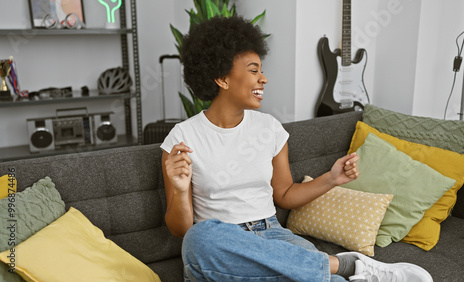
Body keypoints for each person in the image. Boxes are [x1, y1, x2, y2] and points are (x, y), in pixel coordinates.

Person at [160, 16, 432, 282]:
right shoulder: (183, 138)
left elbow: (285, 195)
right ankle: (349, 265)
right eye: (254, 70)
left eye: (261, 70)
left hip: (273, 237)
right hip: (223, 248)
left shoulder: (270, 128)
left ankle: (344, 271)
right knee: (199, 238)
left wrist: (332, 179)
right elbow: (180, 230)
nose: (263, 79)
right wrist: (181, 190)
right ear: (222, 78)